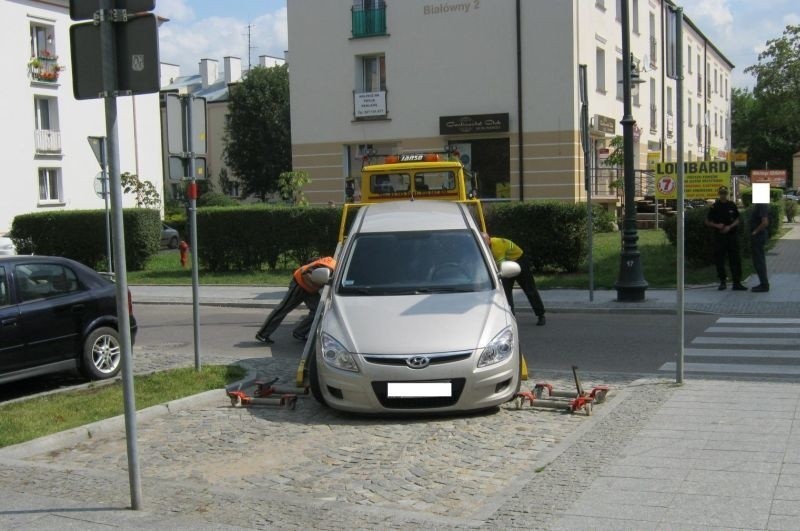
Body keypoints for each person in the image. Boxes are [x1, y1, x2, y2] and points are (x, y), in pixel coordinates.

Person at [255, 256, 336, 344]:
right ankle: (262, 334)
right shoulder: (330, 267)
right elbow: (306, 273)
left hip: (310, 288)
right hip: (300, 284)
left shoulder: (333, 265)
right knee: (283, 309)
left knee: (318, 311)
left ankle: (299, 332)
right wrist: (319, 286)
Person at [483, 233, 546, 326]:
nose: (483, 245)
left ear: (489, 240)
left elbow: (501, 266)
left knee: (530, 289)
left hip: (519, 261)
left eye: (485, 242)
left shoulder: (497, 246)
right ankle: (511, 318)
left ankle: (541, 315)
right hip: (507, 263)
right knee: (506, 294)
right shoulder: (486, 246)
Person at [705, 186, 746, 291]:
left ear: (727, 194)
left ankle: (737, 282)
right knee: (720, 259)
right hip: (719, 237)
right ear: (719, 194)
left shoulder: (731, 205)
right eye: (721, 193)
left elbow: (737, 219)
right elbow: (707, 221)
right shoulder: (714, 207)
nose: (723, 195)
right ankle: (722, 281)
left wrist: (729, 227)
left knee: (735, 259)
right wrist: (717, 225)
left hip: (732, 236)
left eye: (725, 193)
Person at [749, 200, 770, 292]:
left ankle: (764, 285)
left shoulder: (761, 204)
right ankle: (763, 283)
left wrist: (755, 232)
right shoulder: (761, 204)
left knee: (759, 261)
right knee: (759, 260)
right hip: (759, 235)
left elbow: (765, 222)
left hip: (758, 236)